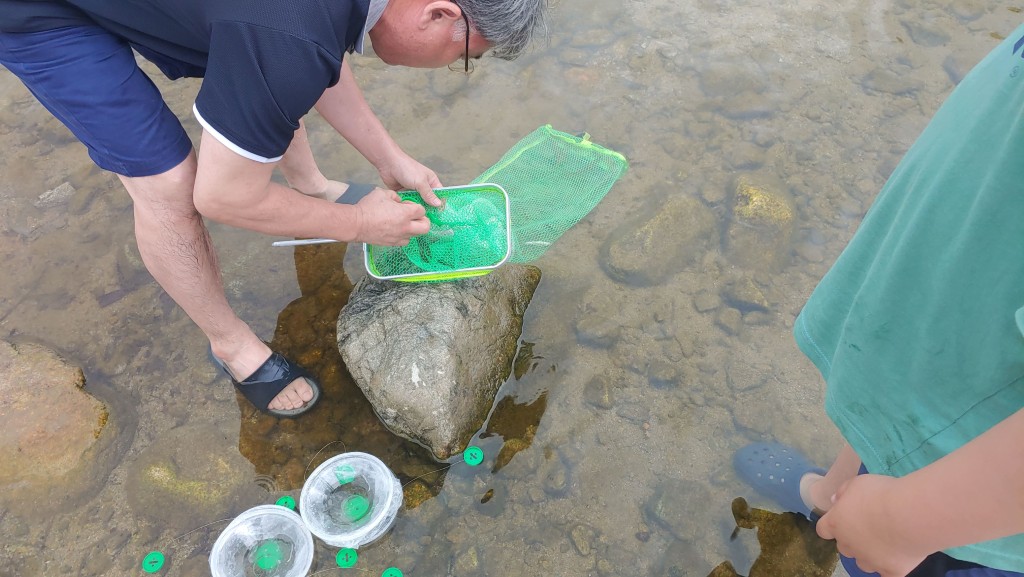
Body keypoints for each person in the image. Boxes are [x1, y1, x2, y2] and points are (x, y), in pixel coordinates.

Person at [0, 0, 546, 417]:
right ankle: (232, 345)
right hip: (45, 13)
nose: (452, 67)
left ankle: (309, 184)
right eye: (464, 59)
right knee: (171, 185)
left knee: (270, 78)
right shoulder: (290, 36)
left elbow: (313, 55)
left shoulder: (307, 31)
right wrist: (359, 224)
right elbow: (222, 196)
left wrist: (390, 157)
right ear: (438, 13)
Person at [732, 23, 1024, 577]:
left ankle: (869, 527)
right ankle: (831, 496)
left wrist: (902, 522)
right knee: (892, 418)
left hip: (965, 507)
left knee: (886, 557)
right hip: (952, 332)